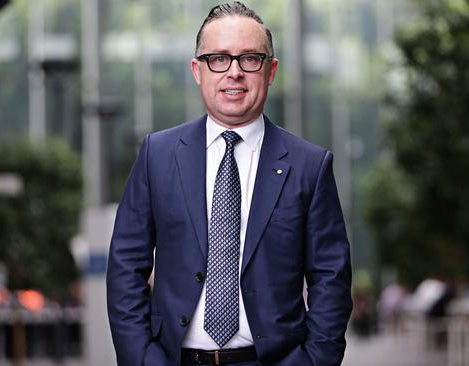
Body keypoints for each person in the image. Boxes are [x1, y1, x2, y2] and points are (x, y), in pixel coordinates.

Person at [106, 2, 352, 365]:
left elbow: (330, 279)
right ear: (197, 70)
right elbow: (126, 266)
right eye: (218, 59)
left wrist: (313, 361)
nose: (234, 72)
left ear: (271, 71)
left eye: (250, 59)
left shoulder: (310, 166)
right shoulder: (157, 155)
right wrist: (141, 358)